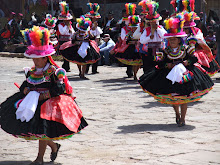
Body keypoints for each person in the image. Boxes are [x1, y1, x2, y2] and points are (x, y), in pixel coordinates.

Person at [0, 26, 88, 165]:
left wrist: (43, 96)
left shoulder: (54, 71)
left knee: (42, 130)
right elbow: (24, 85)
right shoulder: (32, 71)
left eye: (38, 59)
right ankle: (53, 146)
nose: (35, 61)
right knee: (39, 131)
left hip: (49, 103)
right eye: (33, 59)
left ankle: (40, 158)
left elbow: (59, 87)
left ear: (45, 57)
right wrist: (26, 91)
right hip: (32, 102)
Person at [139, 14, 214, 127]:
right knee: (174, 98)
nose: (172, 41)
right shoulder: (166, 51)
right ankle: (177, 114)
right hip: (170, 76)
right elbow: (160, 62)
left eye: (174, 39)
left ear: (179, 40)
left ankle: (183, 119)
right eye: (170, 39)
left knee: (183, 98)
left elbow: (193, 59)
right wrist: (167, 65)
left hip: (184, 75)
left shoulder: (186, 49)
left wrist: (186, 63)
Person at [114, 4, 142, 80]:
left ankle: (134, 73)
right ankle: (133, 74)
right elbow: (125, 38)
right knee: (132, 61)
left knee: (138, 62)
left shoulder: (139, 27)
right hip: (130, 46)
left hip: (138, 47)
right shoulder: (126, 29)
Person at [139, 0, 167, 73]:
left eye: (154, 22)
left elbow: (164, 36)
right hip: (150, 50)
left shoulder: (160, 28)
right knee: (149, 67)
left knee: (160, 67)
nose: (152, 24)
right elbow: (142, 40)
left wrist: (157, 29)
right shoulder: (147, 30)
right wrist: (149, 37)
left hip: (160, 49)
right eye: (151, 23)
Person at [56, 1, 75, 72]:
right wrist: (67, 27)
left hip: (68, 40)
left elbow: (72, 32)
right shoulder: (60, 25)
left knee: (68, 53)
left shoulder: (69, 25)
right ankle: (65, 66)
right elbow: (62, 32)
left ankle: (66, 66)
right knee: (64, 53)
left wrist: (69, 28)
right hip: (62, 40)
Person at [84, 3, 103, 74]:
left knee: (96, 56)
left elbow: (98, 35)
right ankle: (86, 70)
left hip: (95, 42)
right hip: (88, 42)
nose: (95, 19)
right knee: (89, 56)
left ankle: (94, 69)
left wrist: (97, 42)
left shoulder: (97, 27)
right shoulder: (87, 26)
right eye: (94, 18)